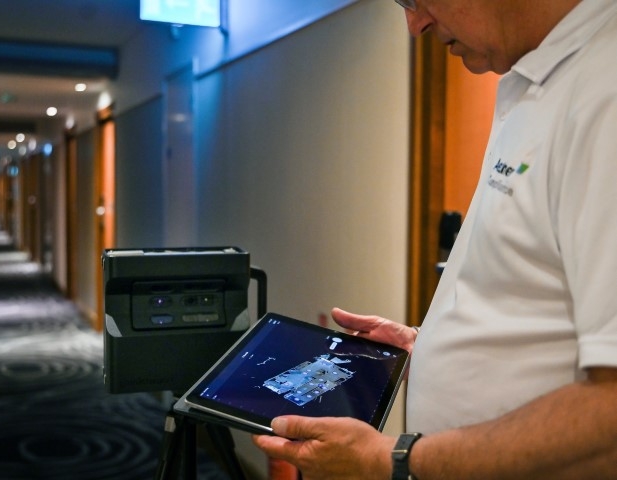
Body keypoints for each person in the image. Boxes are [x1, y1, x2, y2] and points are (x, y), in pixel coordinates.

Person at [253, 0, 617, 478]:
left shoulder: (603, 93)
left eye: (414, 0)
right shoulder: (535, 82)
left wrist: (393, 461)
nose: (415, 24)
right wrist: (425, 347)